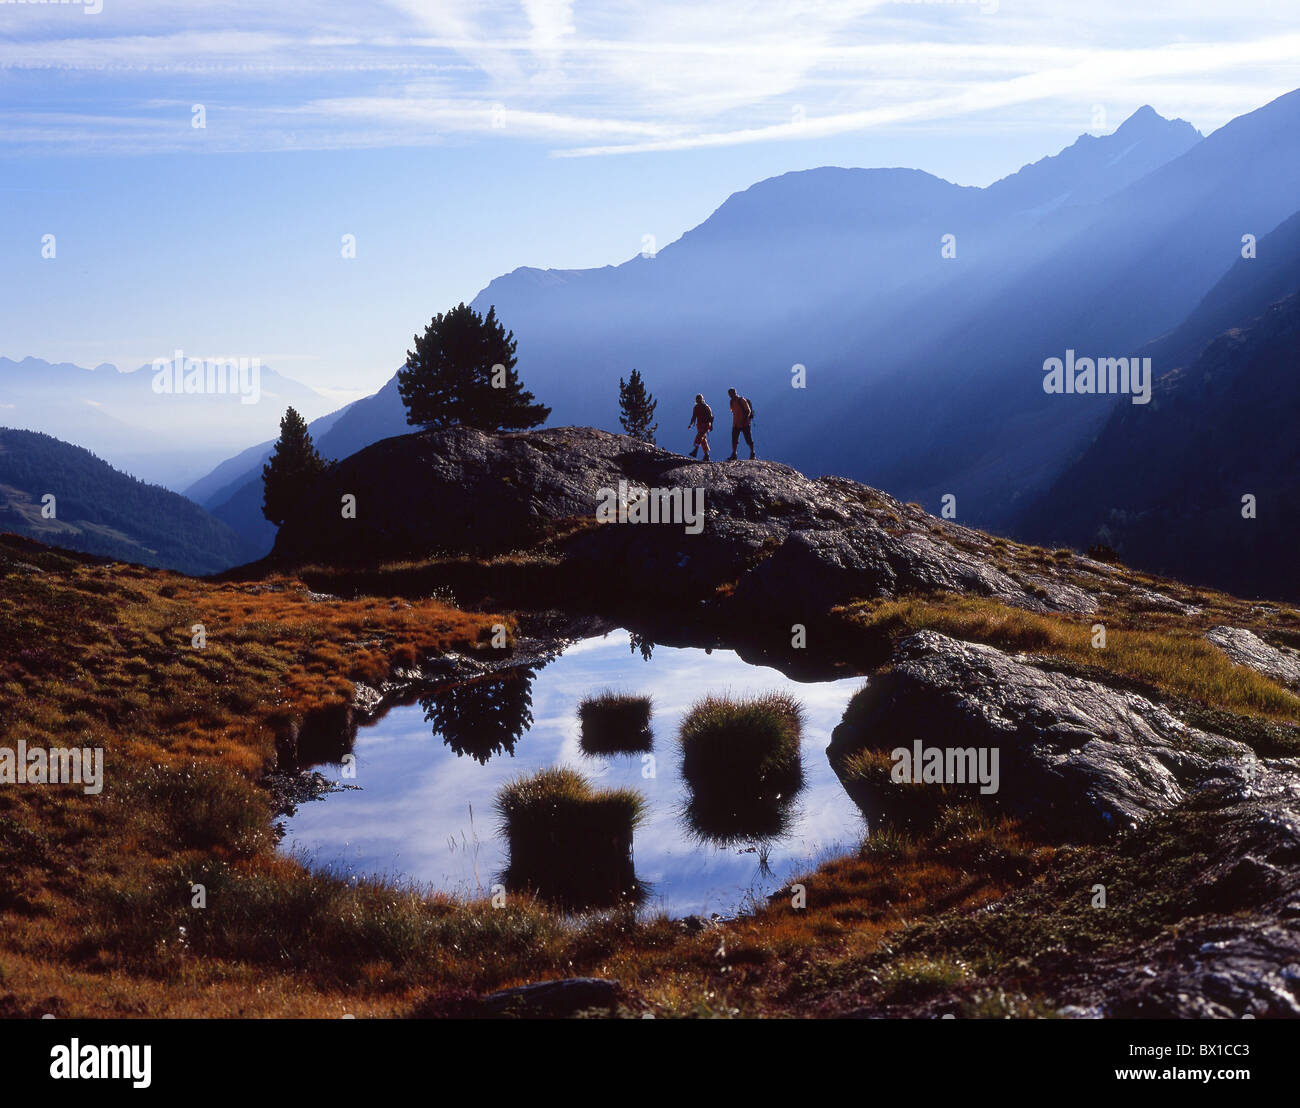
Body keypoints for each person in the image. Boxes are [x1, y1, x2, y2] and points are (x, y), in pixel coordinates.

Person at [726, 387, 755, 461]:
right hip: (736, 423)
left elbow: (748, 411)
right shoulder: (731, 402)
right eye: (730, 394)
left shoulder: (741, 400)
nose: (731, 395)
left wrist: (744, 419)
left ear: (735, 393)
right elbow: (733, 411)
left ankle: (752, 453)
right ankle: (734, 454)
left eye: (731, 394)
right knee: (734, 439)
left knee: (748, 439)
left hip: (744, 423)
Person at [688, 393, 713, 460]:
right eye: (697, 399)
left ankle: (695, 450)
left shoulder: (705, 406)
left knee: (699, 437)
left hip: (705, 425)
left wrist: (711, 426)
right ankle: (706, 455)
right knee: (703, 440)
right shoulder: (696, 407)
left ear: (702, 399)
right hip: (699, 425)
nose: (698, 400)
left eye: (699, 399)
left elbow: (711, 416)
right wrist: (691, 424)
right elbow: (694, 416)